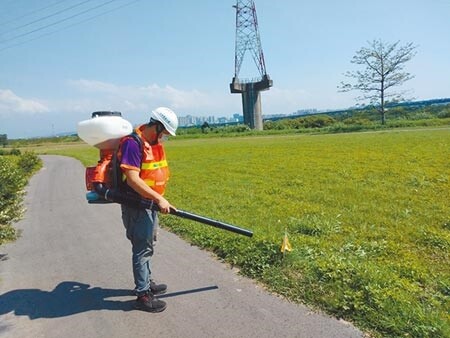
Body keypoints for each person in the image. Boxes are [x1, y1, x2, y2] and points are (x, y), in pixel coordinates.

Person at [117, 107, 178, 313]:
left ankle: (147, 282)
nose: (165, 137)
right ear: (157, 126)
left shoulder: (153, 144)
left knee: (148, 243)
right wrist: (159, 198)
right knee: (142, 248)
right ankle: (143, 295)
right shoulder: (132, 144)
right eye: (165, 132)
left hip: (149, 203)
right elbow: (133, 179)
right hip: (137, 205)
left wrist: (157, 199)